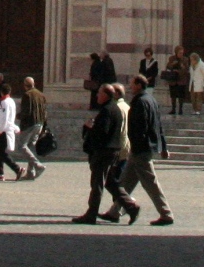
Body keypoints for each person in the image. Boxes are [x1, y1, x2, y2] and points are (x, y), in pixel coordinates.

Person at [71, 84, 134, 224]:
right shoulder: (114, 109)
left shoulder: (107, 110)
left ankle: (91, 213)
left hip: (104, 152)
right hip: (113, 151)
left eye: (99, 93)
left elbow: (102, 133)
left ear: (106, 95)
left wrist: (89, 128)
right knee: (110, 182)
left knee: (97, 183)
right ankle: (131, 206)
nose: (96, 95)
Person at [120, 73, 174, 225]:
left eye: (132, 84)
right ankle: (115, 211)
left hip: (141, 148)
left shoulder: (140, 102)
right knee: (125, 182)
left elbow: (140, 127)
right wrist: (163, 146)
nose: (130, 87)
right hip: (144, 146)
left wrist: (136, 145)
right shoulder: (152, 100)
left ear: (138, 85)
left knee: (151, 183)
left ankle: (166, 213)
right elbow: (159, 125)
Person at [16, 76, 48, 180]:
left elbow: (27, 111)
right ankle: (30, 172)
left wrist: (17, 116)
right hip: (40, 123)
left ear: (25, 85)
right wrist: (44, 126)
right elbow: (45, 111)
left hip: (30, 124)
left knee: (22, 146)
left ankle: (38, 165)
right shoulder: (41, 95)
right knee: (30, 147)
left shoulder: (27, 95)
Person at [0, 85, 20, 181]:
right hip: (6, 129)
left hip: (4, 131)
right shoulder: (11, 102)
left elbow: (5, 118)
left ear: (1, 92)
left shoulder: (4, 103)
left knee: (1, 153)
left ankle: (17, 169)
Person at [163, 49, 187, 116]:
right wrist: (172, 64)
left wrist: (180, 70)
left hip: (181, 80)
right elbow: (168, 67)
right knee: (173, 95)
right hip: (173, 80)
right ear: (176, 53)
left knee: (181, 96)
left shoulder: (185, 59)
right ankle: (173, 109)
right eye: (180, 53)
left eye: (182, 53)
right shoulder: (172, 58)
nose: (181, 54)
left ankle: (180, 109)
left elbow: (186, 70)